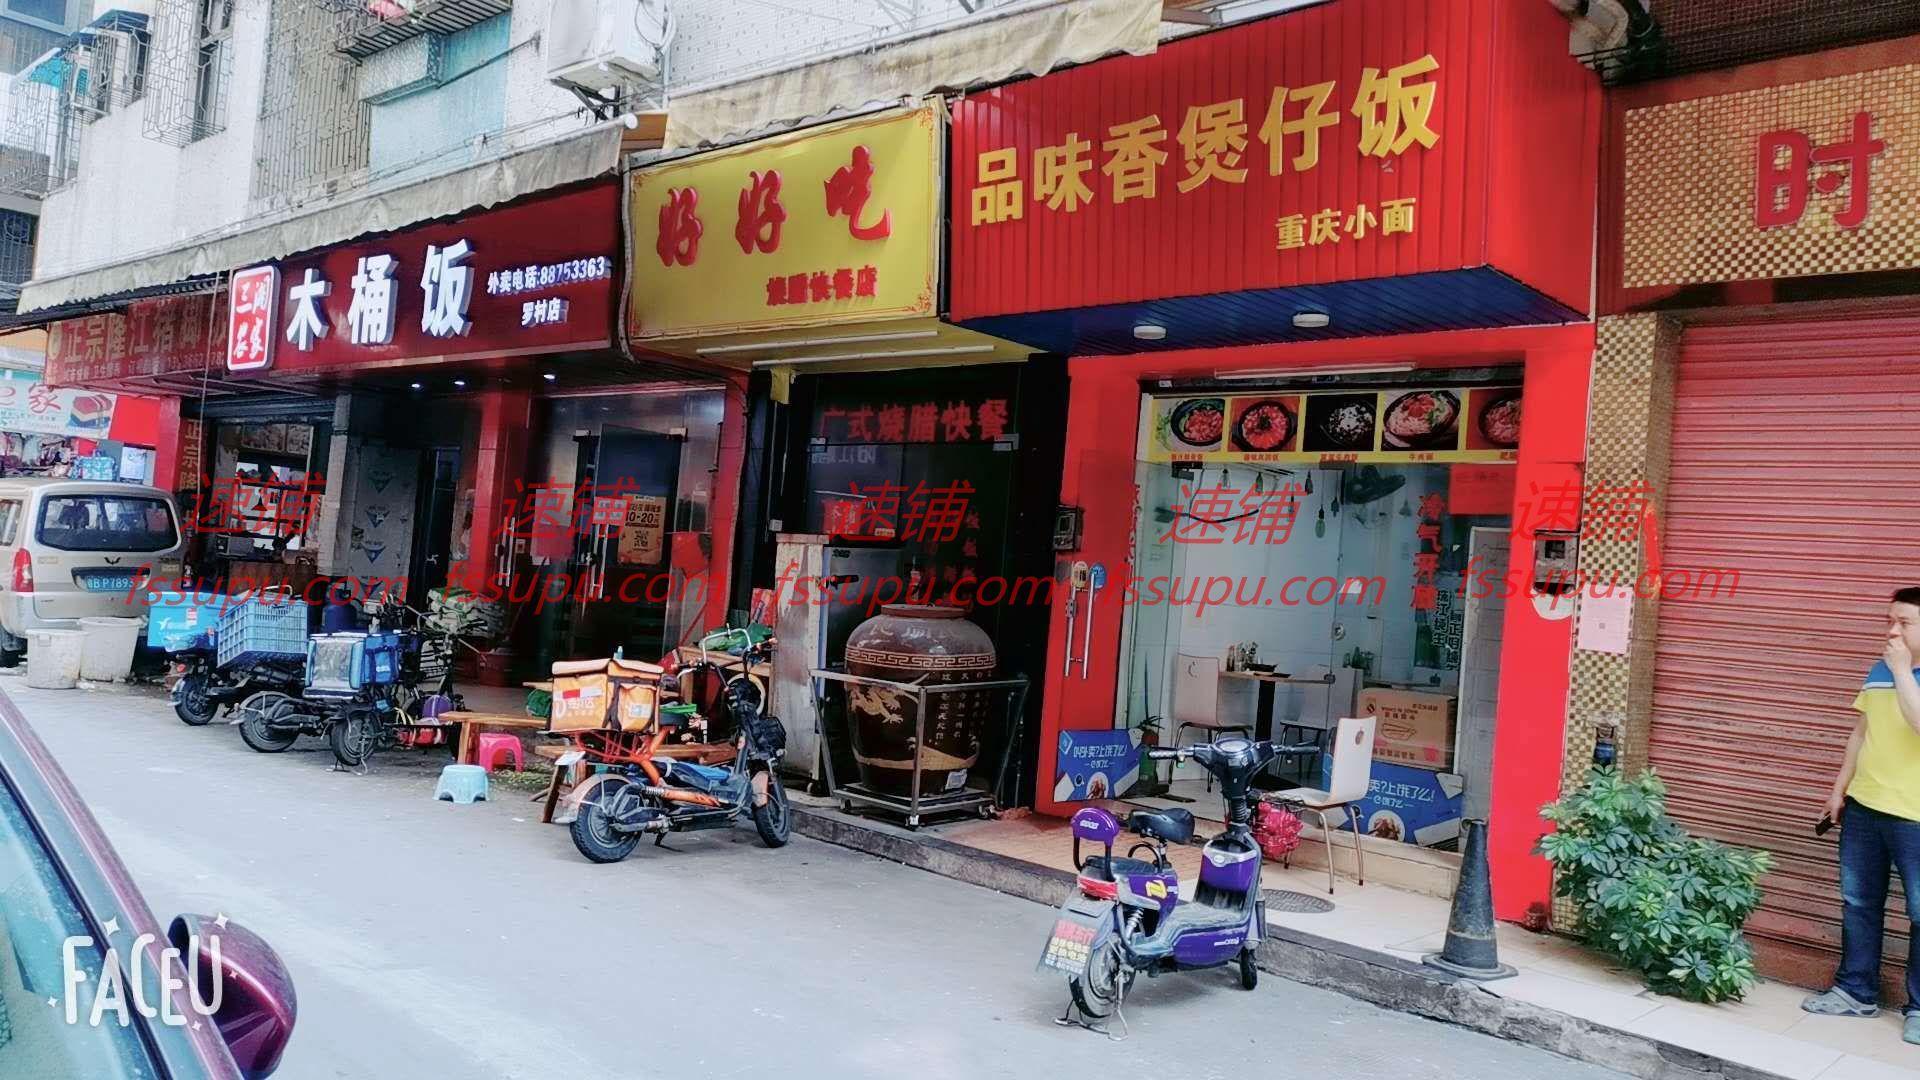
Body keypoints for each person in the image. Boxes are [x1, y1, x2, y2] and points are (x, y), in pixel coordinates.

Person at [1803, 586, 1920, 1043]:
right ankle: (1856, 991)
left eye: (1904, 623)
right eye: (1890, 621)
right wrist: (1839, 792)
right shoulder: (1879, 670)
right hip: (1865, 808)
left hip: (1914, 816)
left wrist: (1902, 670)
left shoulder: (1894, 669)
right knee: (1859, 902)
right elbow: (1860, 733)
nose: (1892, 631)